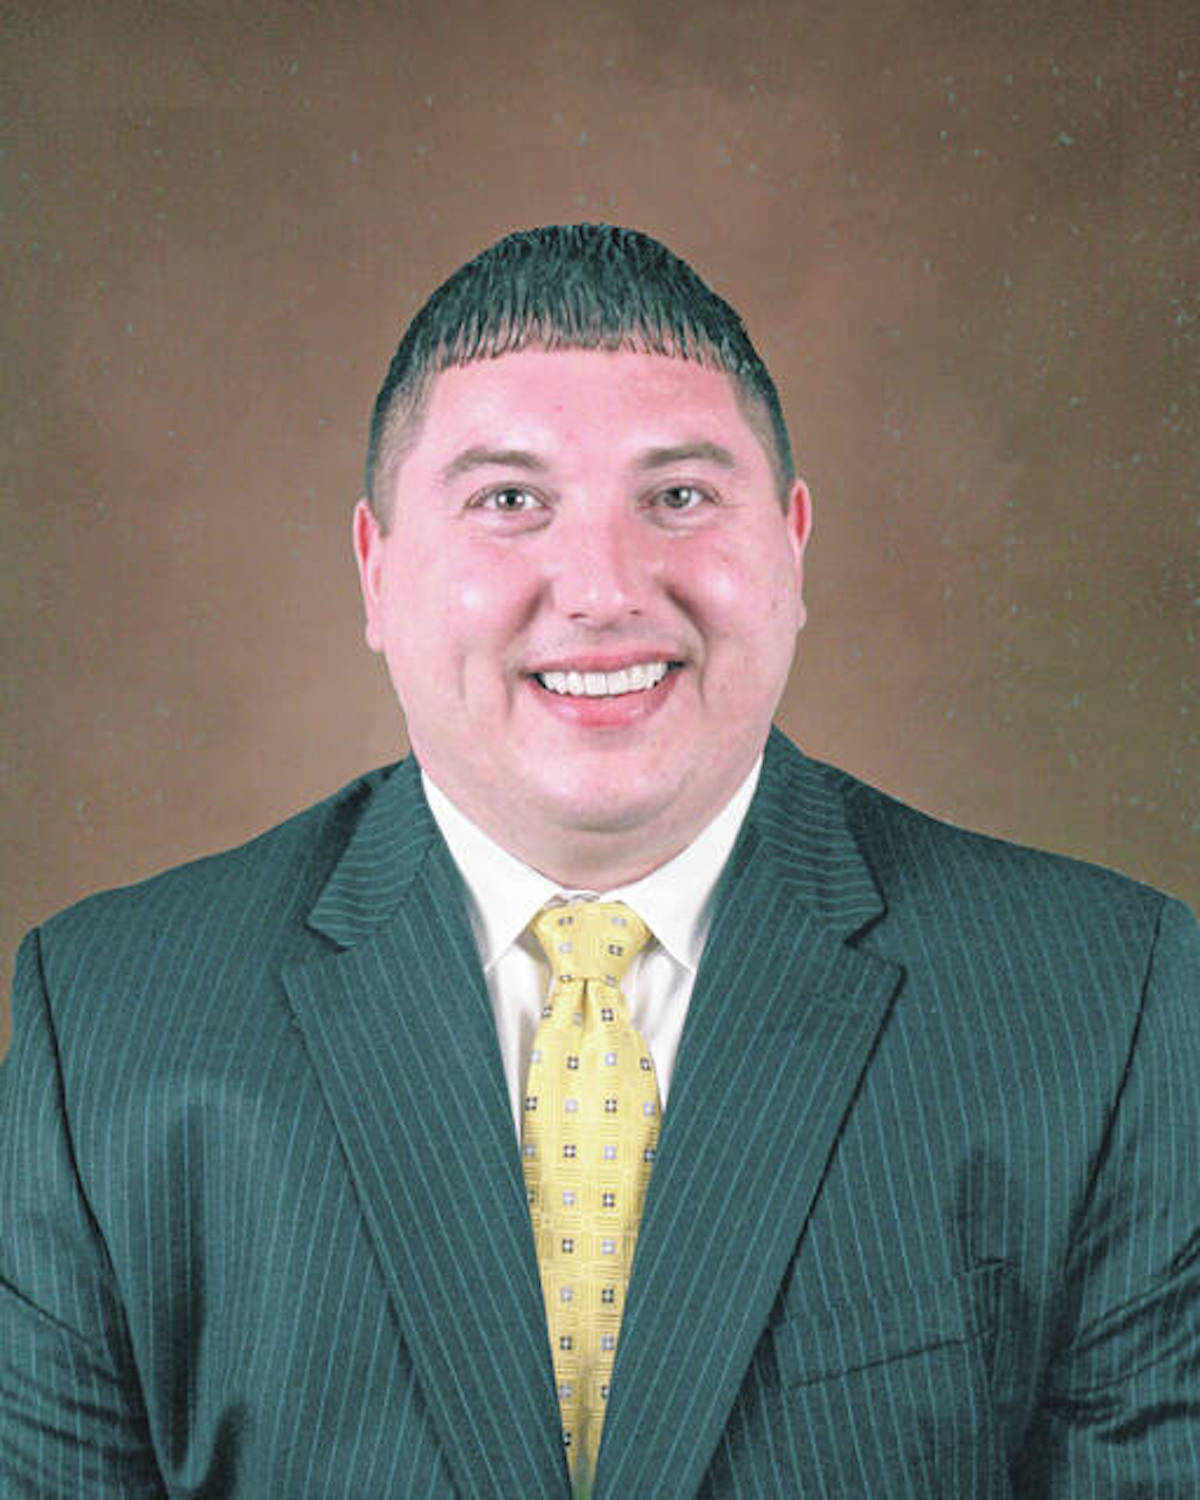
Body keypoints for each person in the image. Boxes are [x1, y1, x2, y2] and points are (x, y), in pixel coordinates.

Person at [2, 224, 1196, 1499]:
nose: (602, 589)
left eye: (678, 497)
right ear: (376, 570)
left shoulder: (1106, 1004)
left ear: (793, 547)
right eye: (509, 502)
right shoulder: (112, 1027)